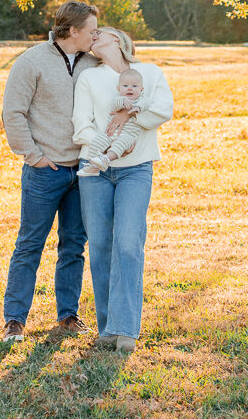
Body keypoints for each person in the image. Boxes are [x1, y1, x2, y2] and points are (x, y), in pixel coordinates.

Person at [1, 0, 99, 342]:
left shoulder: (93, 61)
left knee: (74, 246)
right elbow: (13, 113)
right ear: (72, 31)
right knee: (30, 245)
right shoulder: (31, 61)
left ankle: (68, 315)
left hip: (84, 170)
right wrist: (33, 155)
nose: (96, 35)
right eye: (91, 30)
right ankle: (15, 319)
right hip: (45, 171)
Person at [72, 26, 173, 352]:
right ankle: (109, 329)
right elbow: (81, 125)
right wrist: (106, 143)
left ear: (116, 39)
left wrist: (127, 113)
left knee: (129, 244)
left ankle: (126, 329)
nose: (93, 36)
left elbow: (163, 110)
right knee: (101, 246)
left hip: (136, 171)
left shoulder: (150, 72)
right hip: (94, 169)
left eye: (99, 32)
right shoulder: (89, 78)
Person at [76, 68, 152, 176]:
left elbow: (145, 104)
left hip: (128, 134)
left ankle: (106, 159)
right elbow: (115, 105)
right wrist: (124, 102)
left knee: (120, 145)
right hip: (110, 132)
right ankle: (92, 165)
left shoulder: (141, 100)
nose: (129, 88)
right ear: (118, 88)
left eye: (134, 86)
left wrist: (137, 108)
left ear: (141, 89)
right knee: (97, 141)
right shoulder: (118, 99)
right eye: (125, 86)